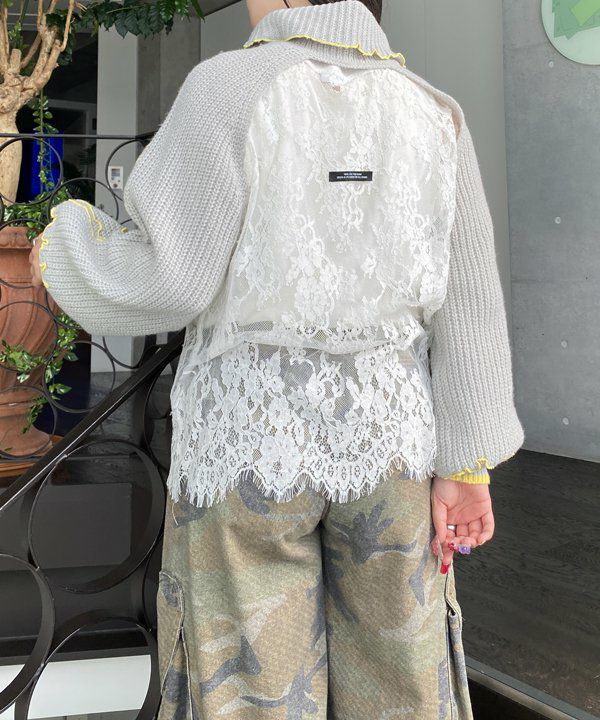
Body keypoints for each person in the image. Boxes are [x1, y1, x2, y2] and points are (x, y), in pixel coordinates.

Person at [29, 0, 525, 717]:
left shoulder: (228, 87)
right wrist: (467, 467)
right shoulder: (435, 112)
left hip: (249, 445)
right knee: (403, 689)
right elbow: (471, 305)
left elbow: (168, 279)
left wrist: (63, 248)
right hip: (393, 450)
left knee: (252, 693)